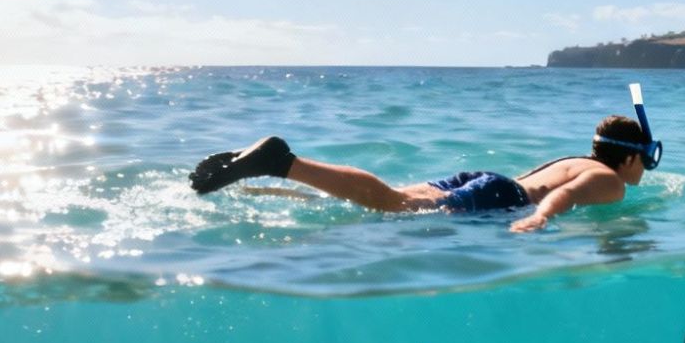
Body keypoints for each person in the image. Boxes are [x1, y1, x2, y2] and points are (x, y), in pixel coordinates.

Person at [188, 111, 659, 233]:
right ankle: (281, 162)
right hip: (503, 199)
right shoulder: (609, 178)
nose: (647, 169)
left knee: (388, 200)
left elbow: (562, 183)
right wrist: (542, 218)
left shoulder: (573, 158)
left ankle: (269, 183)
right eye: (648, 158)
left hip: (489, 181)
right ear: (632, 157)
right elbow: (571, 196)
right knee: (389, 206)